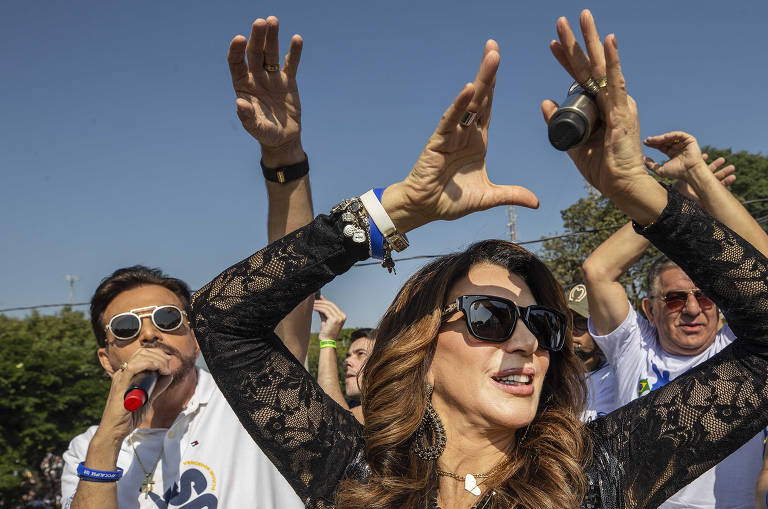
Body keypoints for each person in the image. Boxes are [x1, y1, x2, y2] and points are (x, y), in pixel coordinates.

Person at [189, 11, 768, 509]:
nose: (525, 345)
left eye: (542, 327)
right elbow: (222, 318)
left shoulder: (596, 474)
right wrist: (398, 210)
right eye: (490, 318)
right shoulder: (357, 478)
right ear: (422, 347)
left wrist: (643, 197)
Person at [60, 16, 314, 509]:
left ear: (195, 335)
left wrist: (282, 152)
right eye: (127, 328)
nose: (150, 334)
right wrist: (111, 436)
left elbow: (293, 270)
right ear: (106, 358)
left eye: (168, 318)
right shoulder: (87, 452)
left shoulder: (255, 396)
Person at [582, 131, 768, 508]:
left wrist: (699, 175)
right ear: (649, 309)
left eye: (704, 296)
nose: (693, 308)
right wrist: (672, 198)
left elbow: (764, 275)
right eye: (674, 298)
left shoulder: (739, 350)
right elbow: (598, 269)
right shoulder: (632, 347)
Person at [313, 296, 375, 423]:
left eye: (361, 354)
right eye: (348, 356)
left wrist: (327, 342)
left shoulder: (398, 408)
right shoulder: (349, 405)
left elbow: (335, 423)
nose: (347, 362)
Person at [565, 283, 616, 422]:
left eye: (581, 322)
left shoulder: (616, 377)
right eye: (567, 321)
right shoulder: (549, 375)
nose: (572, 330)